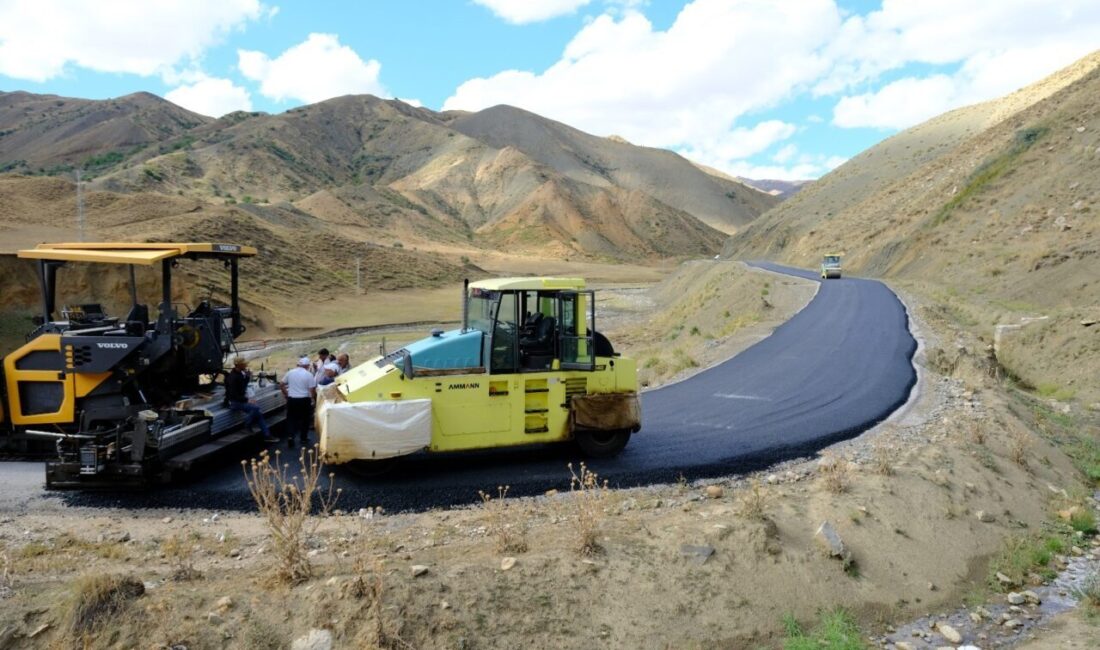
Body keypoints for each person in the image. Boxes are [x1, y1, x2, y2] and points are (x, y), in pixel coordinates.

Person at [225, 357, 275, 442]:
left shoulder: (240, 374)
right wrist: (247, 400)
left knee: (258, 414)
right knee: (256, 408)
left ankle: (267, 435)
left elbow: (242, 388)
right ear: (239, 365)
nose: (246, 365)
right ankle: (247, 424)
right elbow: (233, 395)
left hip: (240, 400)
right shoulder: (232, 377)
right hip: (234, 402)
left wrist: (247, 377)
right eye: (244, 363)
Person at [280, 356, 316, 448]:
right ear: (307, 366)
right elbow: (312, 389)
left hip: (292, 399)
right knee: (305, 419)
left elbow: (282, 384)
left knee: (291, 418)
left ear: (298, 364)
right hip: (304, 399)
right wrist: (312, 399)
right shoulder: (309, 375)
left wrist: (286, 394)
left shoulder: (290, 372)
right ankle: (303, 438)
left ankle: (290, 437)